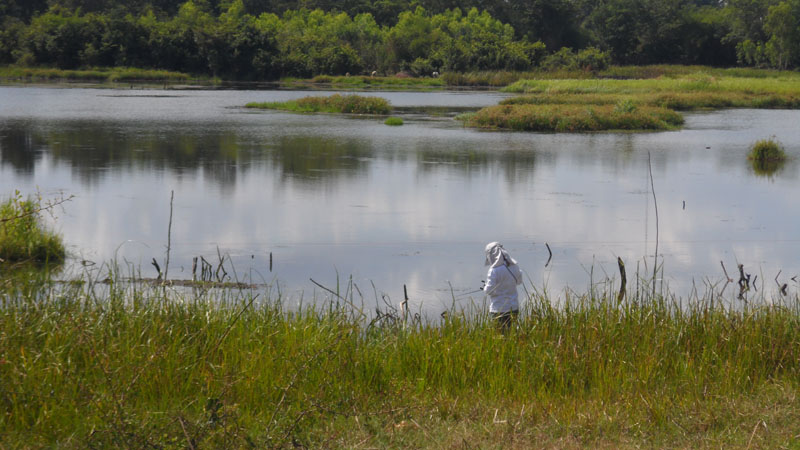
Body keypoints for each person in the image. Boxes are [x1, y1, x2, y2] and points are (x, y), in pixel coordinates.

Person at [483, 242, 522, 330]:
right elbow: (519, 282)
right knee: (511, 333)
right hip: (514, 308)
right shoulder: (514, 266)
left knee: (499, 335)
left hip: (498, 310)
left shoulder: (494, 270)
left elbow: (489, 291)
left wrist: (484, 287)